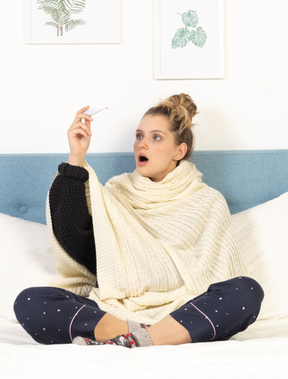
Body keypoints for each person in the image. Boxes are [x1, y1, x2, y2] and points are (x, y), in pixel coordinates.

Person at [14, 93, 264, 348]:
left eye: (156, 137)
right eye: (139, 135)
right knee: (30, 302)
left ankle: (129, 339)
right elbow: (74, 240)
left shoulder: (208, 201)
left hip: (182, 310)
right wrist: (76, 156)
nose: (141, 144)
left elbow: (221, 277)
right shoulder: (115, 193)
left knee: (246, 292)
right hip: (116, 310)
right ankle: (142, 336)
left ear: (180, 150)